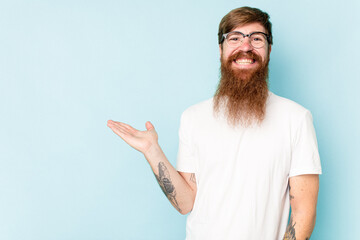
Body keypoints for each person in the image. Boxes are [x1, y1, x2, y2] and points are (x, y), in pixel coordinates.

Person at [107, 6, 322, 240]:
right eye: (235, 38)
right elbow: (185, 204)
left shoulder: (296, 119)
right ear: (220, 50)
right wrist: (152, 150)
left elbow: (303, 212)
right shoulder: (193, 117)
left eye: (257, 39)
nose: (246, 46)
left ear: (269, 50)